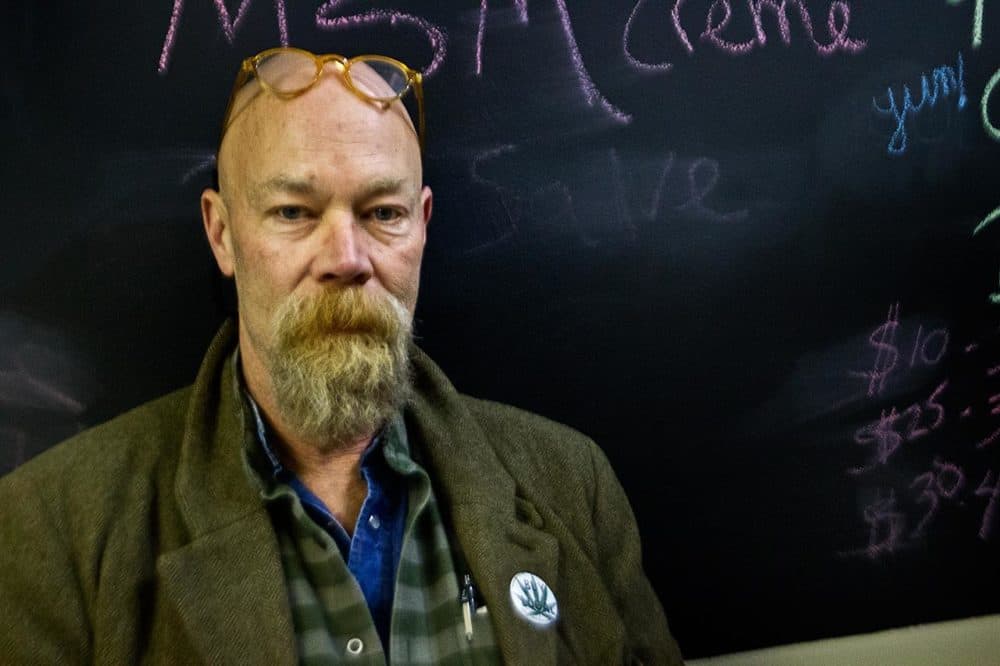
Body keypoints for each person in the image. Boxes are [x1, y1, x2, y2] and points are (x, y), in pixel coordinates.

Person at [0, 47, 684, 665]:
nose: (346, 259)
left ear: (422, 225)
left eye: (382, 212)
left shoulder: (572, 485)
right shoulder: (55, 530)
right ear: (222, 234)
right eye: (294, 212)